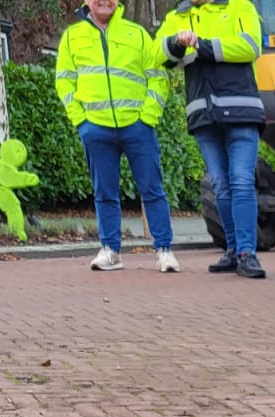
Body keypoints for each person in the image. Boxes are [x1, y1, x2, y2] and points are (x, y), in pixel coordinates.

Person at [56, 0, 180, 273]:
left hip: (137, 126)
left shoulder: (137, 34)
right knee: (104, 192)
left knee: (153, 190)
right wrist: (80, 120)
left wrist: (148, 117)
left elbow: (158, 76)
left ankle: (164, 250)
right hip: (95, 128)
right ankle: (110, 250)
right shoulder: (71, 37)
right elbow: (64, 80)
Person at [158, 0, 267, 279]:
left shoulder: (240, 7)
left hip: (241, 109)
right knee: (220, 183)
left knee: (241, 180)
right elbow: (160, 56)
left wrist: (201, 45)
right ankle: (233, 250)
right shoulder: (176, 17)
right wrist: (177, 43)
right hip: (204, 114)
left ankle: (246, 253)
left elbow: (250, 46)